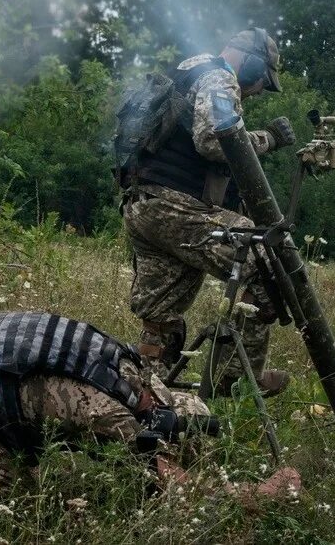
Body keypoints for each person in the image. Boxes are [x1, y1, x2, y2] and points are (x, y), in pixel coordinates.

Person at [115, 28, 296, 397]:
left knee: (161, 316)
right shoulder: (219, 79)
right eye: (263, 79)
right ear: (252, 64)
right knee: (263, 259)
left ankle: (145, 398)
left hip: (144, 205)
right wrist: (270, 139)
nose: (259, 89)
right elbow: (214, 139)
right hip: (174, 207)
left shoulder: (190, 72)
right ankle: (234, 380)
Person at [0, 310, 221, 495]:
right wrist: (235, 496)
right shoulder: (102, 412)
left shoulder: (136, 373)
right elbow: (174, 481)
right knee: (10, 487)